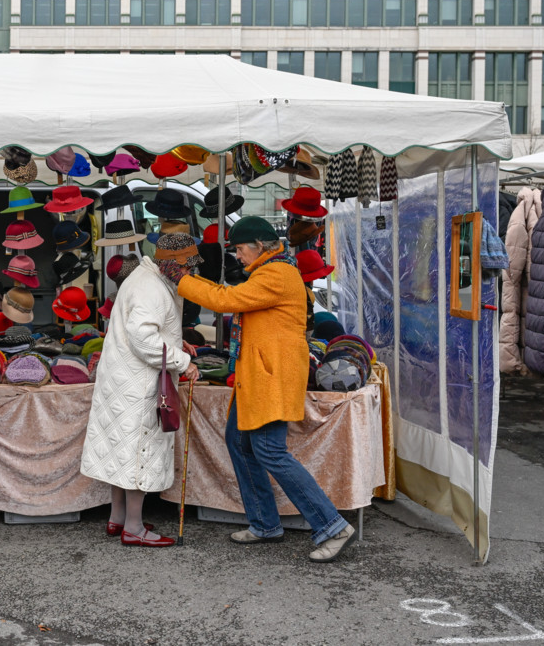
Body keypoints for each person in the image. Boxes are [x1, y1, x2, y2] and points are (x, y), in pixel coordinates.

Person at [175, 216, 356, 563]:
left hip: (270, 379)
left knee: (270, 451)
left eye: (240, 249)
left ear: (259, 245)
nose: (238, 256)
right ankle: (265, 524)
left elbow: (226, 301)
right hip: (258, 377)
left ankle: (334, 526)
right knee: (239, 442)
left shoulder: (277, 274)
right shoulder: (273, 270)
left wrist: (183, 280)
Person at [80, 233, 200, 547]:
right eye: (190, 267)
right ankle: (133, 527)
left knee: (123, 449)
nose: (192, 274)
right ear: (176, 265)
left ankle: (117, 518)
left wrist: (175, 341)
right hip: (139, 382)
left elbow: (144, 328)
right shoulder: (152, 288)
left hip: (122, 377)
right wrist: (182, 360)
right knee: (139, 453)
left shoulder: (144, 278)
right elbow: (144, 338)